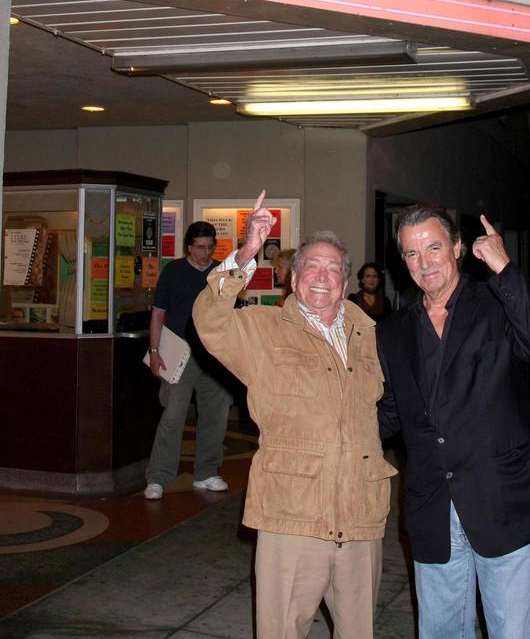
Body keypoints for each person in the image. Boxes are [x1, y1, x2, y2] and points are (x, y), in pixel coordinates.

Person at [193, 205, 396, 639]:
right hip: (292, 517)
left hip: (360, 516)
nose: (322, 277)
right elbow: (208, 321)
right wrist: (247, 251)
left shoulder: (372, 336)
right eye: (312, 267)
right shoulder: (263, 330)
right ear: (293, 276)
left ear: (345, 281)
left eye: (332, 269)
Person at [376, 204, 530, 639]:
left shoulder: (498, 303)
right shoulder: (393, 331)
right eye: (411, 253)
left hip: (503, 499)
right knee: (440, 632)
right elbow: (389, 414)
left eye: (434, 246)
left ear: (458, 248)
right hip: (432, 507)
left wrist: (504, 267)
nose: (424, 262)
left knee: (514, 631)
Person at [144, 218, 263, 500]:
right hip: (179, 352)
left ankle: (207, 472)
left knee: (216, 416)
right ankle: (158, 477)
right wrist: (154, 351)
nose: (205, 253)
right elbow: (158, 314)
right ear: (188, 246)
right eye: (199, 247)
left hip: (213, 355)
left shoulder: (219, 272)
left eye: (209, 247)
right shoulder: (173, 271)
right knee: (173, 417)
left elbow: (231, 314)